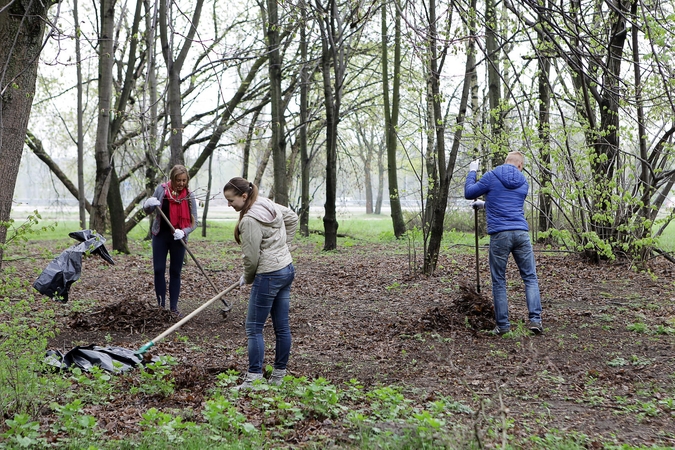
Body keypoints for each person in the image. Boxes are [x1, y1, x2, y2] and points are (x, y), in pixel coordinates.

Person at [223, 177, 298, 388]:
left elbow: (251, 258)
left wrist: (247, 278)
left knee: (254, 328)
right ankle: (278, 377)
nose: (229, 205)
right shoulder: (266, 203)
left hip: (270, 274)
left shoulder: (249, 220)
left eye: (231, 200)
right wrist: (282, 247)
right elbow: (292, 217)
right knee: (281, 327)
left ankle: (254, 378)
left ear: (243, 196)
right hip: (286, 268)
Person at [464, 151, 544, 335]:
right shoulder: (523, 182)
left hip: (500, 234)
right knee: (530, 277)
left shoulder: (491, 176)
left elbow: (469, 193)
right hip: (521, 234)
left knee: (499, 280)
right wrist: (485, 205)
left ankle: (503, 325)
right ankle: (535, 321)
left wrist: (472, 172)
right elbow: (509, 205)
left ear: (506, 162)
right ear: (520, 165)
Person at [143, 165, 198, 316]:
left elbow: (195, 223)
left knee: (175, 271)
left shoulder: (189, 196)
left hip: (178, 238)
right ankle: (161, 306)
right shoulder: (162, 190)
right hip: (160, 235)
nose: (181, 183)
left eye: (184, 180)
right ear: (172, 179)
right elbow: (149, 210)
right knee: (158, 270)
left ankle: (173, 308)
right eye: (178, 180)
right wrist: (147, 204)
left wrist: (184, 231)